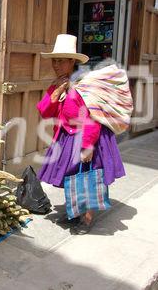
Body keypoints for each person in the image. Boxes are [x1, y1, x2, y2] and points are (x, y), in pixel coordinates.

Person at [36, 34, 132, 235]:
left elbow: (93, 118)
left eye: (61, 60)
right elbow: (45, 112)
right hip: (67, 136)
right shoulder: (58, 83)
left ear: (72, 61)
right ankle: (75, 211)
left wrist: (88, 145)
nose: (56, 64)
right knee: (71, 175)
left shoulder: (84, 85)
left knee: (88, 176)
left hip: (88, 136)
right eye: (54, 60)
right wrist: (54, 93)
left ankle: (87, 218)